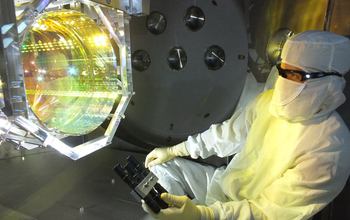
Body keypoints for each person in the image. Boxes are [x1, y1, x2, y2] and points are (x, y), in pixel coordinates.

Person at [142, 30, 350, 220]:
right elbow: (227, 135)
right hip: (224, 186)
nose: (285, 83)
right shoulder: (269, 102)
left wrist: (203, 215)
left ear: (329, 83)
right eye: (283, 71)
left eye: (296, 75)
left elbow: (267, 212)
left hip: (246, 214)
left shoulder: (330, 150)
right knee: (159, 166)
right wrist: (175, 150)